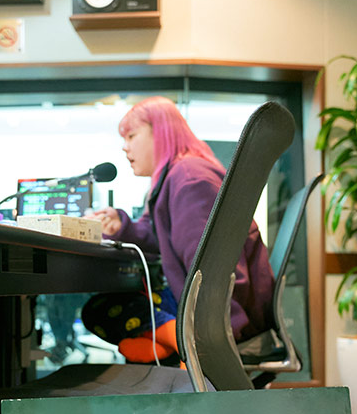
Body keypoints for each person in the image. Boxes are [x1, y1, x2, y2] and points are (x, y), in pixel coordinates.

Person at [82, 96, 274, 364]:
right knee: (108, 310)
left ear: (160, 133)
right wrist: (121, 226)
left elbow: (209, 266)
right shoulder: (180, 175)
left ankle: (180, 342)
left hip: (222, 317)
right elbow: (161, 237)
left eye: (132, 136)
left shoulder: (189, 179)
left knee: (100, 310)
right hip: (210, 306)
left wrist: (213, 339)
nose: (125, 147)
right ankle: (168, 341)